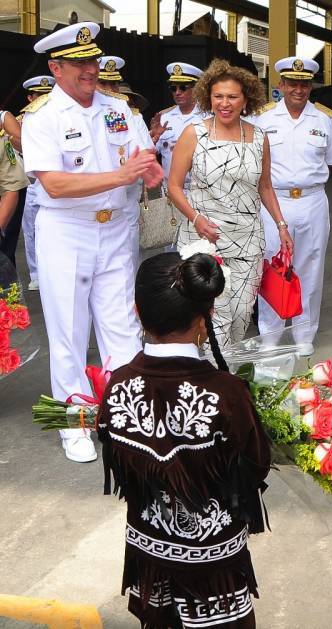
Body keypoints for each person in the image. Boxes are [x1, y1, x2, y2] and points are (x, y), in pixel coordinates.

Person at [97, 251, 271, 628]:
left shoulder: (119, 386)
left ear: (138, 312)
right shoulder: (227, 392)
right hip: (213, 562)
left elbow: (121, 464)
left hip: (151, 549)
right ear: (204, 319)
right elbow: (255, 466)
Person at [21, 22, 162, 463]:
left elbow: (141, 156)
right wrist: (120, 176)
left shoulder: (119, 108)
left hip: (117, 228)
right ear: (55, 67)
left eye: (93, 61)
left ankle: (124, 416)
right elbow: (55, 184)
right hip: (68, 230)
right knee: (69, 330)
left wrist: (148, 170)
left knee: (121, 324)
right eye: (79, 63)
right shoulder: (42, 117)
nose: (89, 70)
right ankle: (77, 423)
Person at [169, 59, 290, 349]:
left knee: (239, 317)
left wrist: (281, 226)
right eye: (218, 96)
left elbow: (265, 186)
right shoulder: (193, 134)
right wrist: (196, 219)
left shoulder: (258, 137)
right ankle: (215, 383)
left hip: (248, 241)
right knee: (215, 318)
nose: (225, 103)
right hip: (204, 240)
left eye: (232, 96)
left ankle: (227, 376)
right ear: (208, 98)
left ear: (246, 99)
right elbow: (172, 186)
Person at [250, 57, 332, 356]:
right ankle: (270, 335)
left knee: (310, 268)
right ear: (281, 85)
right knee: (272, 268)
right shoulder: (263, 119)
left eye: (304, 84)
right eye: (292, 83)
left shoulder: (324, 119)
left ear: (311, 86)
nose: (298, 89)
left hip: (313, 200)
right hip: (274, 201)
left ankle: (304, 334)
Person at [97, 55, 155, 269]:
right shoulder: (78, 115)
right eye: (103, 83)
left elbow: (147, 150)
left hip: (125, 200)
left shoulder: (133, 116)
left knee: (127, 257)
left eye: (113, 83)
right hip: (90, 204)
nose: (110, 88)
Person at [16, 76, 55, 289]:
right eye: (39, 95)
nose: (43, 99)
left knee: (52, 229)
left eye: (46, 94)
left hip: (53, 183)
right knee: (30, 229)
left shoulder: (57, 117)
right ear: (30, 97)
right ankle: (36, 273)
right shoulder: (20, 121)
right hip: (31, 183)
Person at [149, 62, 205, 194]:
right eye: (173, 89)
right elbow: (149, 153)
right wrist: (153, 137)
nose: (177, 93)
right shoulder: (164, 118)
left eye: (183, 88)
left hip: (200, 191)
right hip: (170, 190)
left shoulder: (208, 117)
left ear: (196, 89)